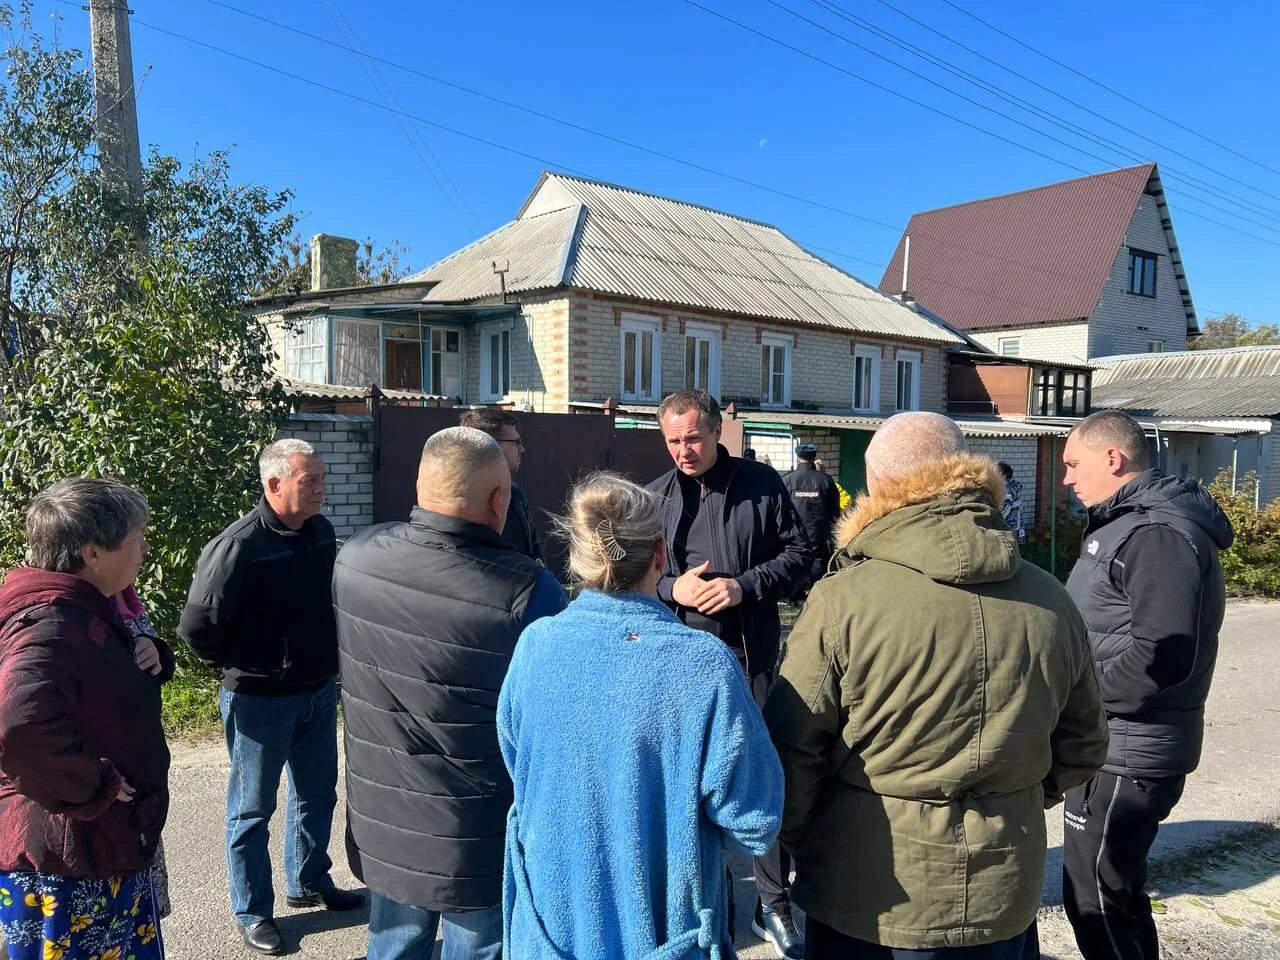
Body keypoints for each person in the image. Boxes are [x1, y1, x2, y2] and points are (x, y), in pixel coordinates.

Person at [765, 412, 1109, 959]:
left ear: (875, 489)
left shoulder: (842, 601)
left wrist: (803, 838)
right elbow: (1085, 743)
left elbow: (793, 751)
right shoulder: (1051, 599)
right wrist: (1011, 797)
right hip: (1002, 888)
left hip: (871, 893)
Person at [499, 472, 783, 959]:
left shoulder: (535, 646)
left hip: (549, 930)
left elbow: (518, 764)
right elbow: (754, 819)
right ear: (659, 554)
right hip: (662, 935)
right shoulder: (702, 664)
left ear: (579, 553)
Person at [334, 426, 566, 960]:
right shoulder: (526, 590)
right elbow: (551, 719)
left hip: (383, 816)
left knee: (391, 946)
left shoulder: (355, 558)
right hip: (477, 833)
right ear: (498, 500)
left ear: (420, 486)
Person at [1060, 410, 1233, 960]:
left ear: (1112, 459)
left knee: (1095, 896)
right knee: (1115, 889)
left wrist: (1084, 702)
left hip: (1126, 751)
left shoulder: (1155, 533)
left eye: (1072, 463)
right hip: (1117, 746)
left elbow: (1163, 654)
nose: (1066, 477)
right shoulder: (1132, 524)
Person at [647, 389, 813, 959]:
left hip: (751, 657)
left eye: (693, 437)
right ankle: (712, 908)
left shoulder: (764, 486)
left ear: (718, 431)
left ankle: (774, 904)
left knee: (762, 782)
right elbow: (640, 578)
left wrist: (743, 586)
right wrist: (675, 588)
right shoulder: (655, 499)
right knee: (690, 789)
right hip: (680, 667)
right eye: (672, 440)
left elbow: (801, 559)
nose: (683, 451)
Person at [180, 439, 362, 956]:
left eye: (323, 479)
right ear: (274, 483)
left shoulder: (321, 533)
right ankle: (253, 911)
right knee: (252, 809)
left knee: (317, 793)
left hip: (318, 691)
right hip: (260, 700)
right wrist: (248, 665)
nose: (322, 489)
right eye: (311, 481)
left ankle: (308, 882)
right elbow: (197, 627)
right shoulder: (239, 545)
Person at [0, 478, 174, 960]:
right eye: (136, 537)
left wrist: (147, 652)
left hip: (98, 846)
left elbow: (91, 686)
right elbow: (17, 724)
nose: (143, 548)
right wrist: (93, 783)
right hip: (71, 858)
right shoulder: (52, 623)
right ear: (93, 553)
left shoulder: (87, 607)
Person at [459, 409, 544, 563]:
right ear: (490, 443)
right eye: (516, 443)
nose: (522, 449)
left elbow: (534, 549)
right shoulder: (459, 497)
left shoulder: (515, 494)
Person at [782, 444, 841, 591]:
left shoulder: (788, 480)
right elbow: (834, 509)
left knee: (794, 559)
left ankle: (795, 595)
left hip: (794, 532)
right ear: (814, 458)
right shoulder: (825, 480)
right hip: (818, 532)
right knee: (818, 562)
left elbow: (780, 509)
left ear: (798, 459)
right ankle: (815, 593)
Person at [996, 461, 1025, 543]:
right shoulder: (1013, 485)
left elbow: (1005, 510)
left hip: (1008, 527)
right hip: (1016, 525)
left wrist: (993, 519)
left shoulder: (1007, 489)